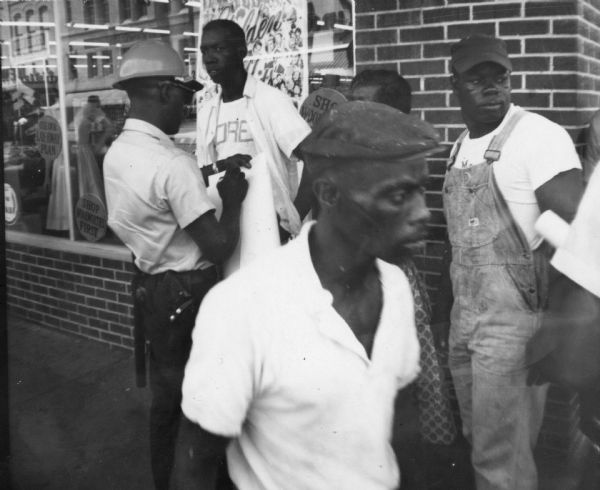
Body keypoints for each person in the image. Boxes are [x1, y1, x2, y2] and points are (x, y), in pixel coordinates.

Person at [171, 101, 440, 490]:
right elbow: (194, 467)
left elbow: (401, 420)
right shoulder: (243, 306)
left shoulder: (396, 284)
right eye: (398, 195)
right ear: (328, 195)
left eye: (421, 190)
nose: (422, 213)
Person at [438, 35, 584, 490]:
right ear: (454, 85)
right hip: (466, 318)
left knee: (502, 462)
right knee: (481, 441)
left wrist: (557, 323)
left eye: (498, 77)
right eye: (476, 79)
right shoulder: (461, 145)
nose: (491, 88)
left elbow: (586, 239)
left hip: (513, 325)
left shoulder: (538, 137)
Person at [103, 40, 248, 490]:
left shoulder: (117, 153)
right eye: (183, 98)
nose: (185, 109)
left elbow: (156, 195)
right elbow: (220, 245)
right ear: (165, 92)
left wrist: (215, 168)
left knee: (167, 402)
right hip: (191, 292)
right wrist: (235, 199)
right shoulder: (172, 162)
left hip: (152, 290)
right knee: (206, 402)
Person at [350, 70, 462, 488]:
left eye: (365, 104)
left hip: (385, 288)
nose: (354, 113)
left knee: (401, 405)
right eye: (351, 103)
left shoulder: (402, 162)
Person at [196, 19, 312, 240]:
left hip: (270, 232)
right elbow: (203, 173)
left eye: (219, 49)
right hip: (228, 230)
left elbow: (315, 160)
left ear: (241, 51)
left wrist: (291, 219)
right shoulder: (206, 112)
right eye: (204, 51)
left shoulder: (271, 101)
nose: (209, 58)